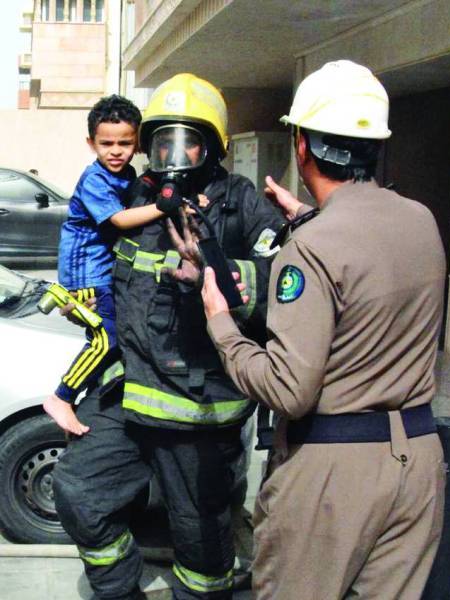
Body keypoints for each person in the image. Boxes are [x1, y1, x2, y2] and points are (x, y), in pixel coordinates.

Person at [200, 60, 447, 599]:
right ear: (374, 146)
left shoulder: (310, 249)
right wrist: (308, 222)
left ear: (303, 146)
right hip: (418, 464)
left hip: (333, 473)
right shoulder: (421, 219)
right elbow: (367, 272)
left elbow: (290, 388)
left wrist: (222, 325)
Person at [52, 74, 284, 600]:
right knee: (77, 490)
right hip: (130, 395)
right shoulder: (136, 195)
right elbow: (91, 246)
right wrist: (78, 297)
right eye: (160, 142)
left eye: (187, 141)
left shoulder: (238, 203)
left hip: (198, 411)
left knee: (200, 538)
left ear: (213, 148)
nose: (171, 155)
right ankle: (118, 591)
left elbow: (286, 278)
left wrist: (217, 271)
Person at [43, 95, 164, 436]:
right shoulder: (94, 179)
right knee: (106, 337)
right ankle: (61, 397)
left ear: (137, 143)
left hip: (102, 271)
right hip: (85, 274)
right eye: (106, 143)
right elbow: (121, 219)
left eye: (125, 143)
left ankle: (84, 404)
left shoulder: (127, 175)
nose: (115, 150)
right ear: (90, 143)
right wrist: (164, 207)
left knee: (109, 340)